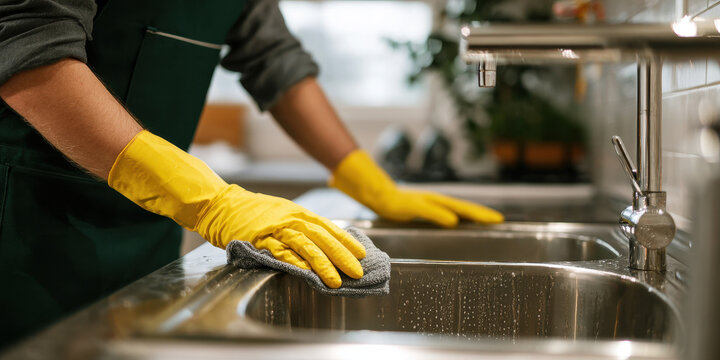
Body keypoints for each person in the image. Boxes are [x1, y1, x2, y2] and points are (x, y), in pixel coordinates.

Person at [0, 0, 504, 348]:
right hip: (27, 231)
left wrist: (365, 179)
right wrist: (211, 202)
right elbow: (29, 47)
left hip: (145, 229)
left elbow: (273, 57)